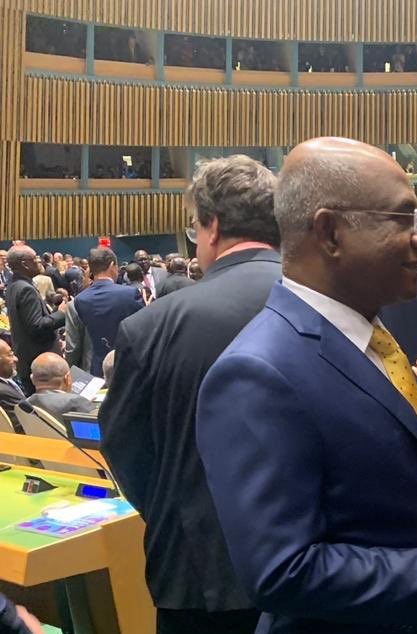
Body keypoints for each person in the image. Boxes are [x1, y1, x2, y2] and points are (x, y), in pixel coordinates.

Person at [196, 137, 417, 634]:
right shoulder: (258, 373)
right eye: (404, 219)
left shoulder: (372, 339)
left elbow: (408, 476)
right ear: (330, 232)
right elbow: (280, 570)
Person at [99, 156, 281, 634]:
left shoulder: (150, 327)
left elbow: (125, 449)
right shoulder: (331, 305)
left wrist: (176, 508)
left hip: (197, 577)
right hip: (326, 573)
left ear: (213, 226)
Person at [65, 247, 144, 376]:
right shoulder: (131, 294)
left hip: (93, 372)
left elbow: (73, 347)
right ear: (112, 265)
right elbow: (143, 332)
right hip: (129, 368)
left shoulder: (75, 303)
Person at [3, 246, 67, 393]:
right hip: (40, 363)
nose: (39, 261)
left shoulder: (13, 286)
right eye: (35, 259)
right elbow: (36, 326)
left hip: (27, 358)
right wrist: (61, 313)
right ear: (25, 264)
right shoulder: (26, 289)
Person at [26, 352, 96, 423]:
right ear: (67, 378)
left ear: (32, 379)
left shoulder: (25, 405)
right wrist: (85, 404)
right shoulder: (76, 402)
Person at [0, 340, 25, 432]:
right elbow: (29, 424)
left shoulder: (6, 384)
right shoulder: (4, 392)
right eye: (10, 355)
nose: (16, 359)